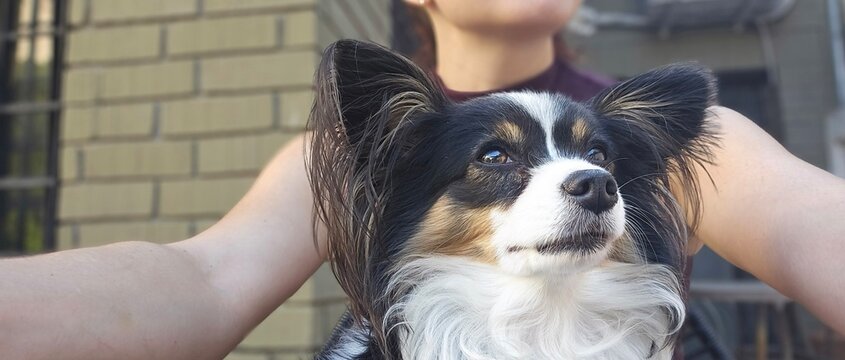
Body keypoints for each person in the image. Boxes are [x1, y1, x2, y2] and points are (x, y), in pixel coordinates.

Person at [2, 0, 844, 358]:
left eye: (597, 162)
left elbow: (815, 218)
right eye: (494, 160)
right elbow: (204, 276)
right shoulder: (371, 145)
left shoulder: (702, 139)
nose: (586, 180)